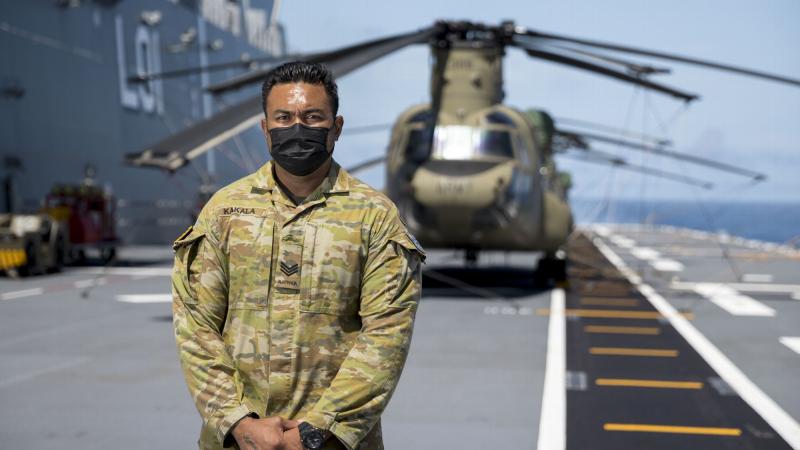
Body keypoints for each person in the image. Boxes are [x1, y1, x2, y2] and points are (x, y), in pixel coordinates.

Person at [172, 61, 425, 450]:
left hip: (334, 442)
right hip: (239, 441)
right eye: (284, 117)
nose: (297, 128)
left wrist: (316, 432)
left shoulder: (374, 216)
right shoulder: (224, 211)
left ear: (336, 128)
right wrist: (238, 422)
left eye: (312, 117)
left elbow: (386, 338)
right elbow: (195, 328)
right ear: (265, 128)